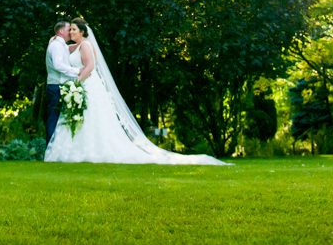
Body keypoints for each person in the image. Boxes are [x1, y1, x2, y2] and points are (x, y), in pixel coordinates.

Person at [44, 17, 228, 165]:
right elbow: (63, 50)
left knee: (91, 118)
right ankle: (72, 150)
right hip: (80, 85)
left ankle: (92, 150)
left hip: (87, 85)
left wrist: (76, 83)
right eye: (70, 30)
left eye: (74, 30)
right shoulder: (72, 46)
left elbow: (90, 66)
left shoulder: (85, 45)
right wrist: (56, 39)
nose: (71, 32)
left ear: (82, 32)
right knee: (77, 117)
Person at [44, 20, 78, 142]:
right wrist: (76, 71)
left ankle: (56, 147)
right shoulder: (56, 45)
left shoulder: (61, 45)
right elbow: (58, 65)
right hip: (56, 86)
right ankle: (50, 147)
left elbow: (69, 49)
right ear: (61, 31)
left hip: (59, 85)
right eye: (69, 29)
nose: (71, 31)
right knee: (54, 117)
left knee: (59, 118)